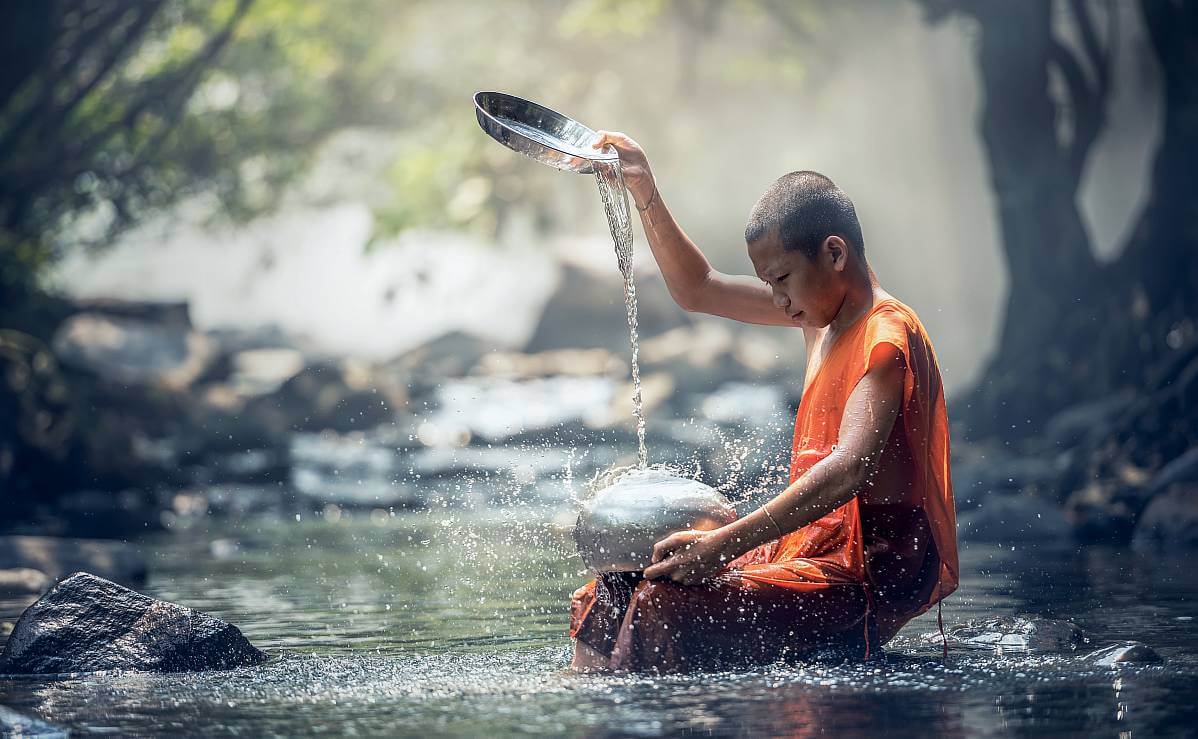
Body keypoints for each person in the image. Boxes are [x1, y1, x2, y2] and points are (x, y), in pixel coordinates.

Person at [568, 132, 959, 673]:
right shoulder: (818, 313)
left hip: (862, 576)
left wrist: (724, 545)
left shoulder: (884, 335)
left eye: (781, 280)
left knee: (659, 604)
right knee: (611, 590)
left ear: (835, 253)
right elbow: (699, 288)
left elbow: (850, 469)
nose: (778, 302)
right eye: (767, 284)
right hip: (806, 552)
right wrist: (643, 189)